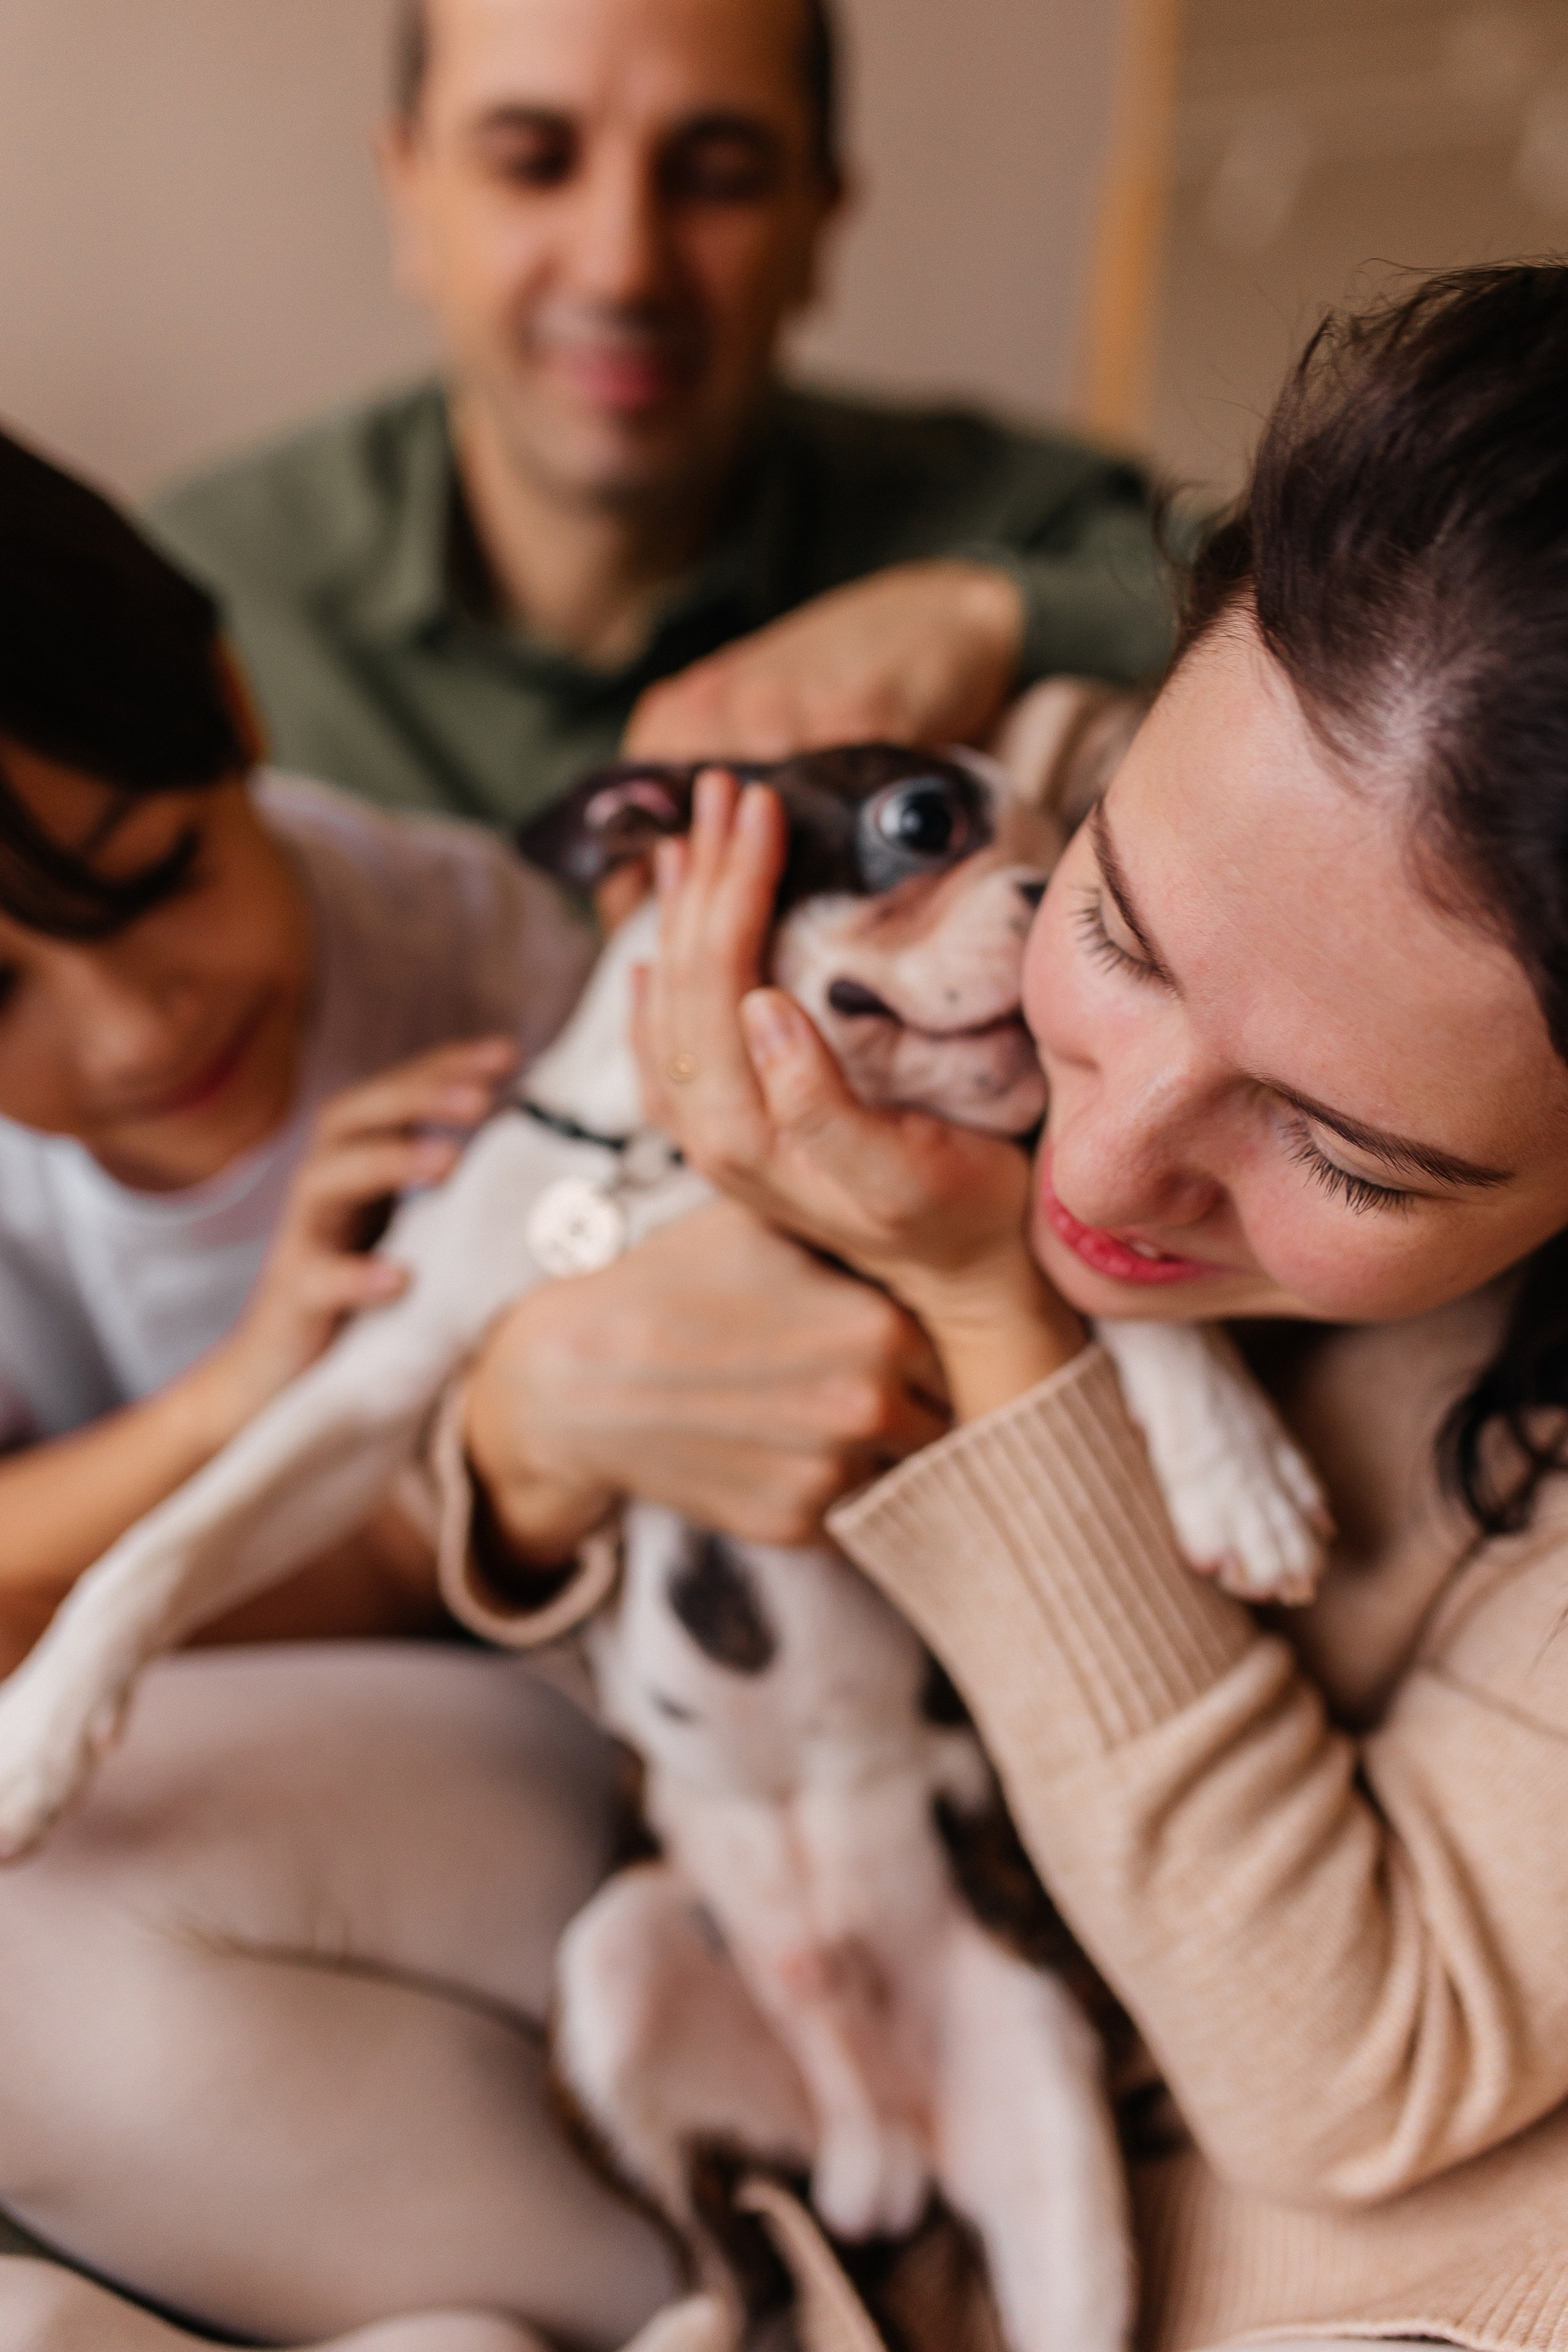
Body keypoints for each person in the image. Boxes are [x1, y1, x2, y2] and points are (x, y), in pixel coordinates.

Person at [460, 260, 1568, 2348]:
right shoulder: (1019, 799)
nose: (1104, 1157)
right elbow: (504, 1276)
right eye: (1121, 937)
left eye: (1351, 1154)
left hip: (1220, 2196)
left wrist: (988, 1310)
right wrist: (532, 1412)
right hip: (744, 1932)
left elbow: (1348, 2073)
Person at [0, 427, 944, 2350]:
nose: (135, 1018)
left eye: (158, 877)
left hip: (565, 1729)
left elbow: (622, 1459)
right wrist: (245, 1395)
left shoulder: (481, 964)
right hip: (231, 1778)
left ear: (238, 699)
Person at [145, 0, 1174, 832]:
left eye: (717, 177)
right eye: (533, 163)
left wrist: (983, 617)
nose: (622, 266)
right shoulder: (201, 595)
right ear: (408, 195)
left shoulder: (1015, 516)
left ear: (822, 221)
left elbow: (1278, 598)